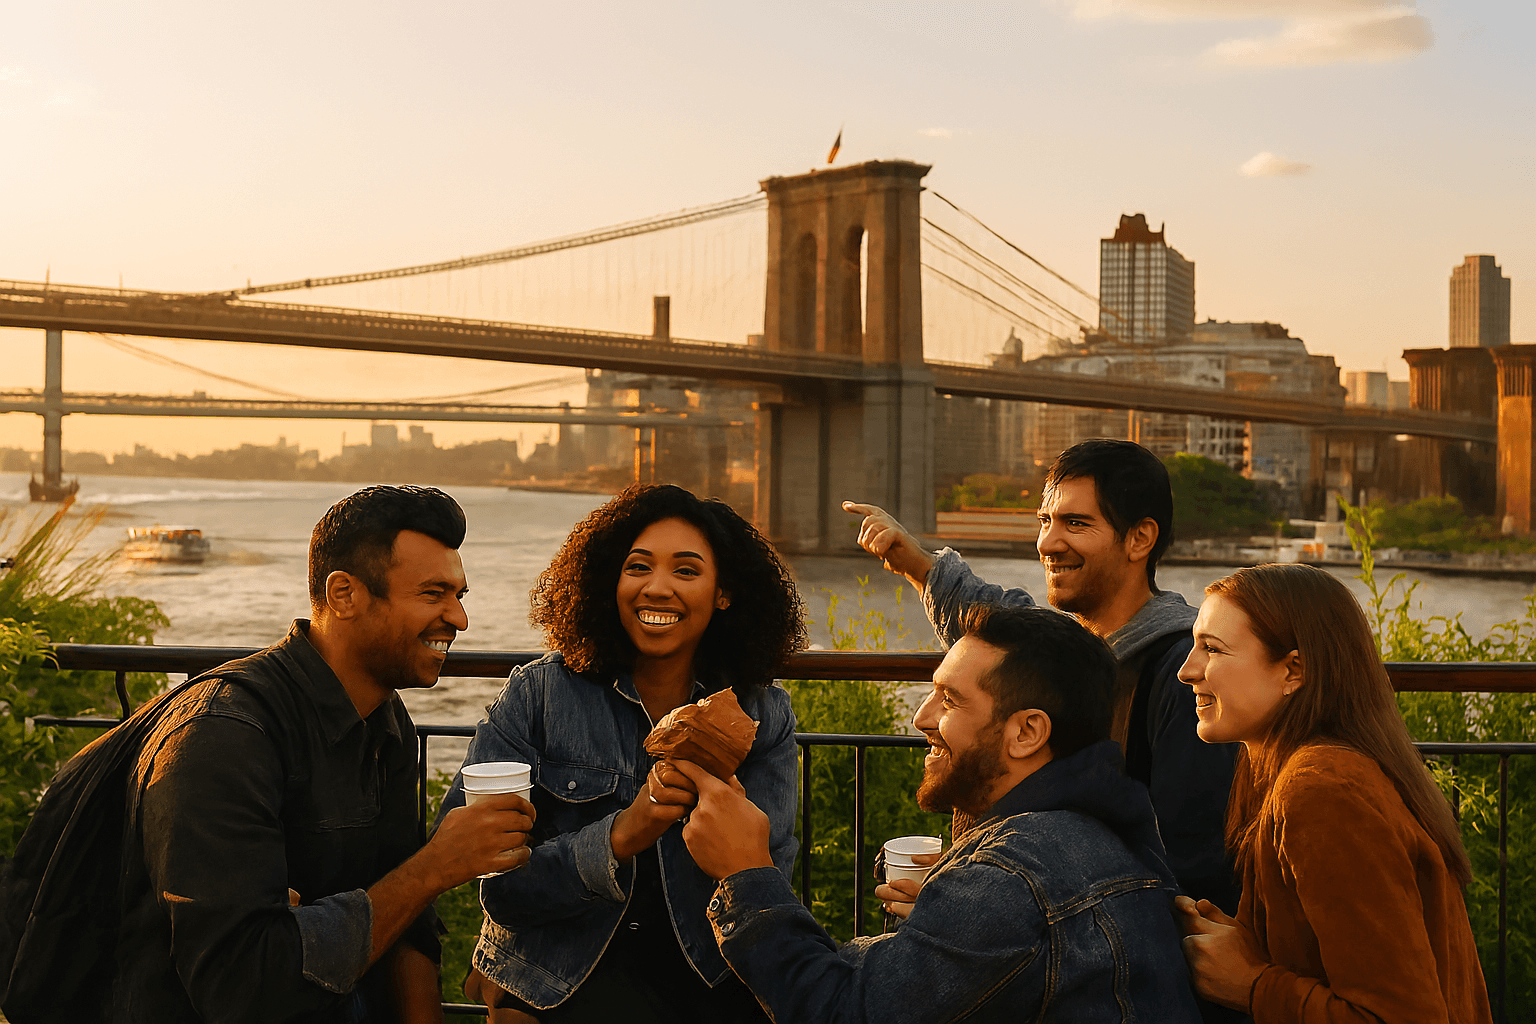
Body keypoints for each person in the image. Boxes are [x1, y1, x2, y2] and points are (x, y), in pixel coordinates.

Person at [5, 485, 536, 1023]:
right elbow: (243, 987)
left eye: (458, 596)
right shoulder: (223, 736)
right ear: (344, 594)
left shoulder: (385, 721)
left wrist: (382, 899)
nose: (459, 620)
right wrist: (433, 869)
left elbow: (408, 925)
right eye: (432, 594)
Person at [678, 603, 1200, 1023]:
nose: (920, 716)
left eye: (949, 700)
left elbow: (843, 1012)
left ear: (1027, 733)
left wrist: (745, 873)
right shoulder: (1105, 827)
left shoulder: (1012, 876)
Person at [447, 484, 806, 1022]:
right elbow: (494, 883)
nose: (656, 588)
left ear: (724, 592)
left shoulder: (761, 715)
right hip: (555, 979)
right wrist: (620, 836)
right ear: (608, 581)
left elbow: (763, 883)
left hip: (707, 978)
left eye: (686, 571)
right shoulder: (538, 696)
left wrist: (730, 825)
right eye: (637, 567)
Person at [845, 438, 1238, 915]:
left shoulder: (1183, 677)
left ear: (1140, 538)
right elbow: (998, 624)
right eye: (1045, 521)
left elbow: (1188, 871)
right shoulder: (1066, 653)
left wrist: (976, 911)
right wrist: (920, 565)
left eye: (1076, 523)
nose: (1048, 543)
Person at [1175, 563, 1492, 1022]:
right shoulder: (1314, 770)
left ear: (1294, 670)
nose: (1188, 670)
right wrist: (1253, 948)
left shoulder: (1320, 792)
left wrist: (1251, 984)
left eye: (1213, 649)